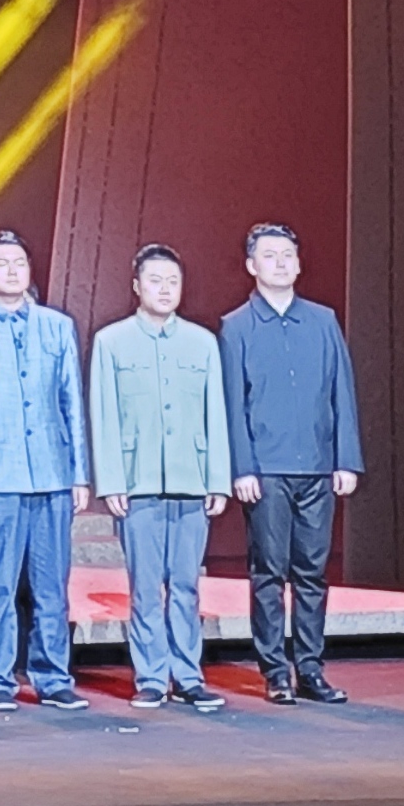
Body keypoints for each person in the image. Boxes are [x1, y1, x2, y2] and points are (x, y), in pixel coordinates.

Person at [0, 227, 90, 712]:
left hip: (52, 474)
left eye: (20, 263)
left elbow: (72, 403)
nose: (12, 271)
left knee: (51, 585)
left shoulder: (58, 327)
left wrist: (80, 474)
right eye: (1, 263)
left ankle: (53, 677)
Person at [220, 222, 363, 706]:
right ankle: (275, 671)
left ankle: (311, 668)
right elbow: (232, 404)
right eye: (270, 255)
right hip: (266, 470)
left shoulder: (323, 321)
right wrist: (242, 468)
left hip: (318, 467)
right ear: (251, 265)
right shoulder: (237, 326)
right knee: (268, 572)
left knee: (312, 572)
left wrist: (346, 460)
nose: (280, 263)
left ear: (299, 264)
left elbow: (342, 392)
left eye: (287, 255)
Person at [89, 242, 232, 712]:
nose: (165, 289)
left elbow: (215, 413)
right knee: (146, 587)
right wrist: (112, 481)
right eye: (156, 281)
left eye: (173, 281)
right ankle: (151, 676)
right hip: (139, 483)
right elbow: (104, 416)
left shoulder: (202, 342)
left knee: (186, 585)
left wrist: (218, 480)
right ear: (137, 286)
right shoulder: (111, 341)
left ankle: (188, 676)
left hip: (192, 481)